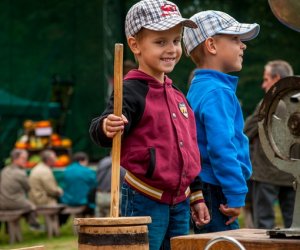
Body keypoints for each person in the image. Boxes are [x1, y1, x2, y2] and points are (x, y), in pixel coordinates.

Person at [89, 1, 210, 249]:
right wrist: (106, 126)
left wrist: (196, 195)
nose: (171, 49)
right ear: (135, 45)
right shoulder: (130, 90)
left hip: (180, 201)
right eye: (160, 42)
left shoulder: (178, 95)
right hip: (144, 198)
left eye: (176, 41)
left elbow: (189, 151)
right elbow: (99, 130)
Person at [183, 10, 260, 233]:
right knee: (223, 243)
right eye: (235, 39)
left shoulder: (199, 87)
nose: (242, 45)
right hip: (216, 190)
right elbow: (222, 147)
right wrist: (236, 192)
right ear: (212, 45)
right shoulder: (217, 92)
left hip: (205, 187)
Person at [244, 60, 296, 229]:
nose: (263, 85)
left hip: (266, 175)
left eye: (266, 79)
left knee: (264, 226)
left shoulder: (269, 103)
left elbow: (247, 131)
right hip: (293, 175)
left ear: (276, 78)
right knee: (294, 227)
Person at [0, 149, 43, 231]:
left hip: (1, 203)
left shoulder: (4, 170)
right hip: (15, 202)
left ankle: (8, 230)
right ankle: (34, 225)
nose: (25, 161)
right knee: (32, 206)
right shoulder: (20, 173)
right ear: (15, 159)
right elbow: (28, 188)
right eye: (23, 159)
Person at [96, 152, 126, 217]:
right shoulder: (122, 164)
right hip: (117, 196)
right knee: (118, 220)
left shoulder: (102, 161)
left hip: (101, 195)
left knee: (100, 221)